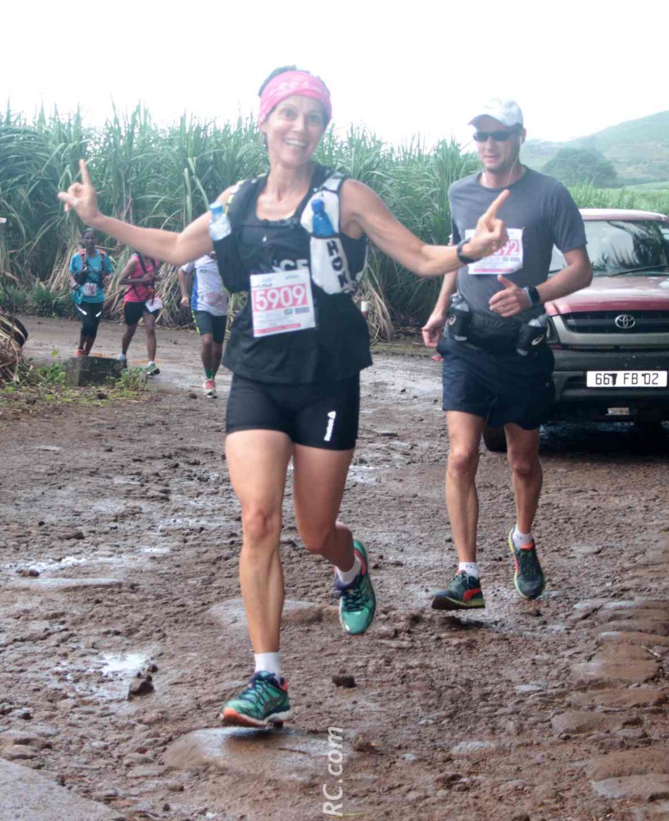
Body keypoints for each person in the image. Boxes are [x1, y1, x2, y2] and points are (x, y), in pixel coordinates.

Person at [59, 67, 508, 729]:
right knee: (258, 518)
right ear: (264, 121)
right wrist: (98, 218)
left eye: (313, 116)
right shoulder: (235, 201)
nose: (300, 126)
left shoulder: (344, 195)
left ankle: (349, 564)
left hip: (326, 377)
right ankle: (268, 678)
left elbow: (417, 255)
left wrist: (472, 248)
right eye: (288, 113)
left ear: (322, 128)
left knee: (313, 529)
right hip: (258, 373)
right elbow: (179, 246)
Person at [422, 98, 592, 611]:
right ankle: (467, 576)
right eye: (481, 136)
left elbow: (581, 270)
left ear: (520, 136)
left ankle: (522, 541)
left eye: (499, 135)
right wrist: (437, 309)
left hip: (522, 349)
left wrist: (530, 295)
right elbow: (458, 256)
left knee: (521, 462)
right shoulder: (460, 192)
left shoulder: (549, 194)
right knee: (461, 455)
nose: (488, 145)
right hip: (468, 343)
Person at [178, 254, 228, 397]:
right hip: (201, 305)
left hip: (221, 308)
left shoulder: (227, 258)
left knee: (218, 348)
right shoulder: (197, 255)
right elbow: (182, 271)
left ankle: (212, 378)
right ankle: (208, 379)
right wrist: (184, 295)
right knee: (207, 341)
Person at [68, 227, 114, 356]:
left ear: (96, 239)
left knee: (94, 327)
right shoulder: (77, 257)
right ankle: (80, 348)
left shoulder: (103, 257)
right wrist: (74, 284)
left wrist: (106, 278)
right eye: (87, 238)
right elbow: (70, 273)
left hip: (98, 297)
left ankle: (87, 353)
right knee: (87, 324)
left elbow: (110, 273)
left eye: (92, 238)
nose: (90, 240)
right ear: (83, 240)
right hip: (81, 297)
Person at [117, 253, 162, 375]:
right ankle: (123, 355)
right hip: (133, 300)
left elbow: (157, 278)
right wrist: (142, 280)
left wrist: (154, 278)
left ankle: (151, 363)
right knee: (131, 330)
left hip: (149, 299)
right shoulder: (134, 262)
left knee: (151, 328)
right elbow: (120, 280)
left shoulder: (155, 260)